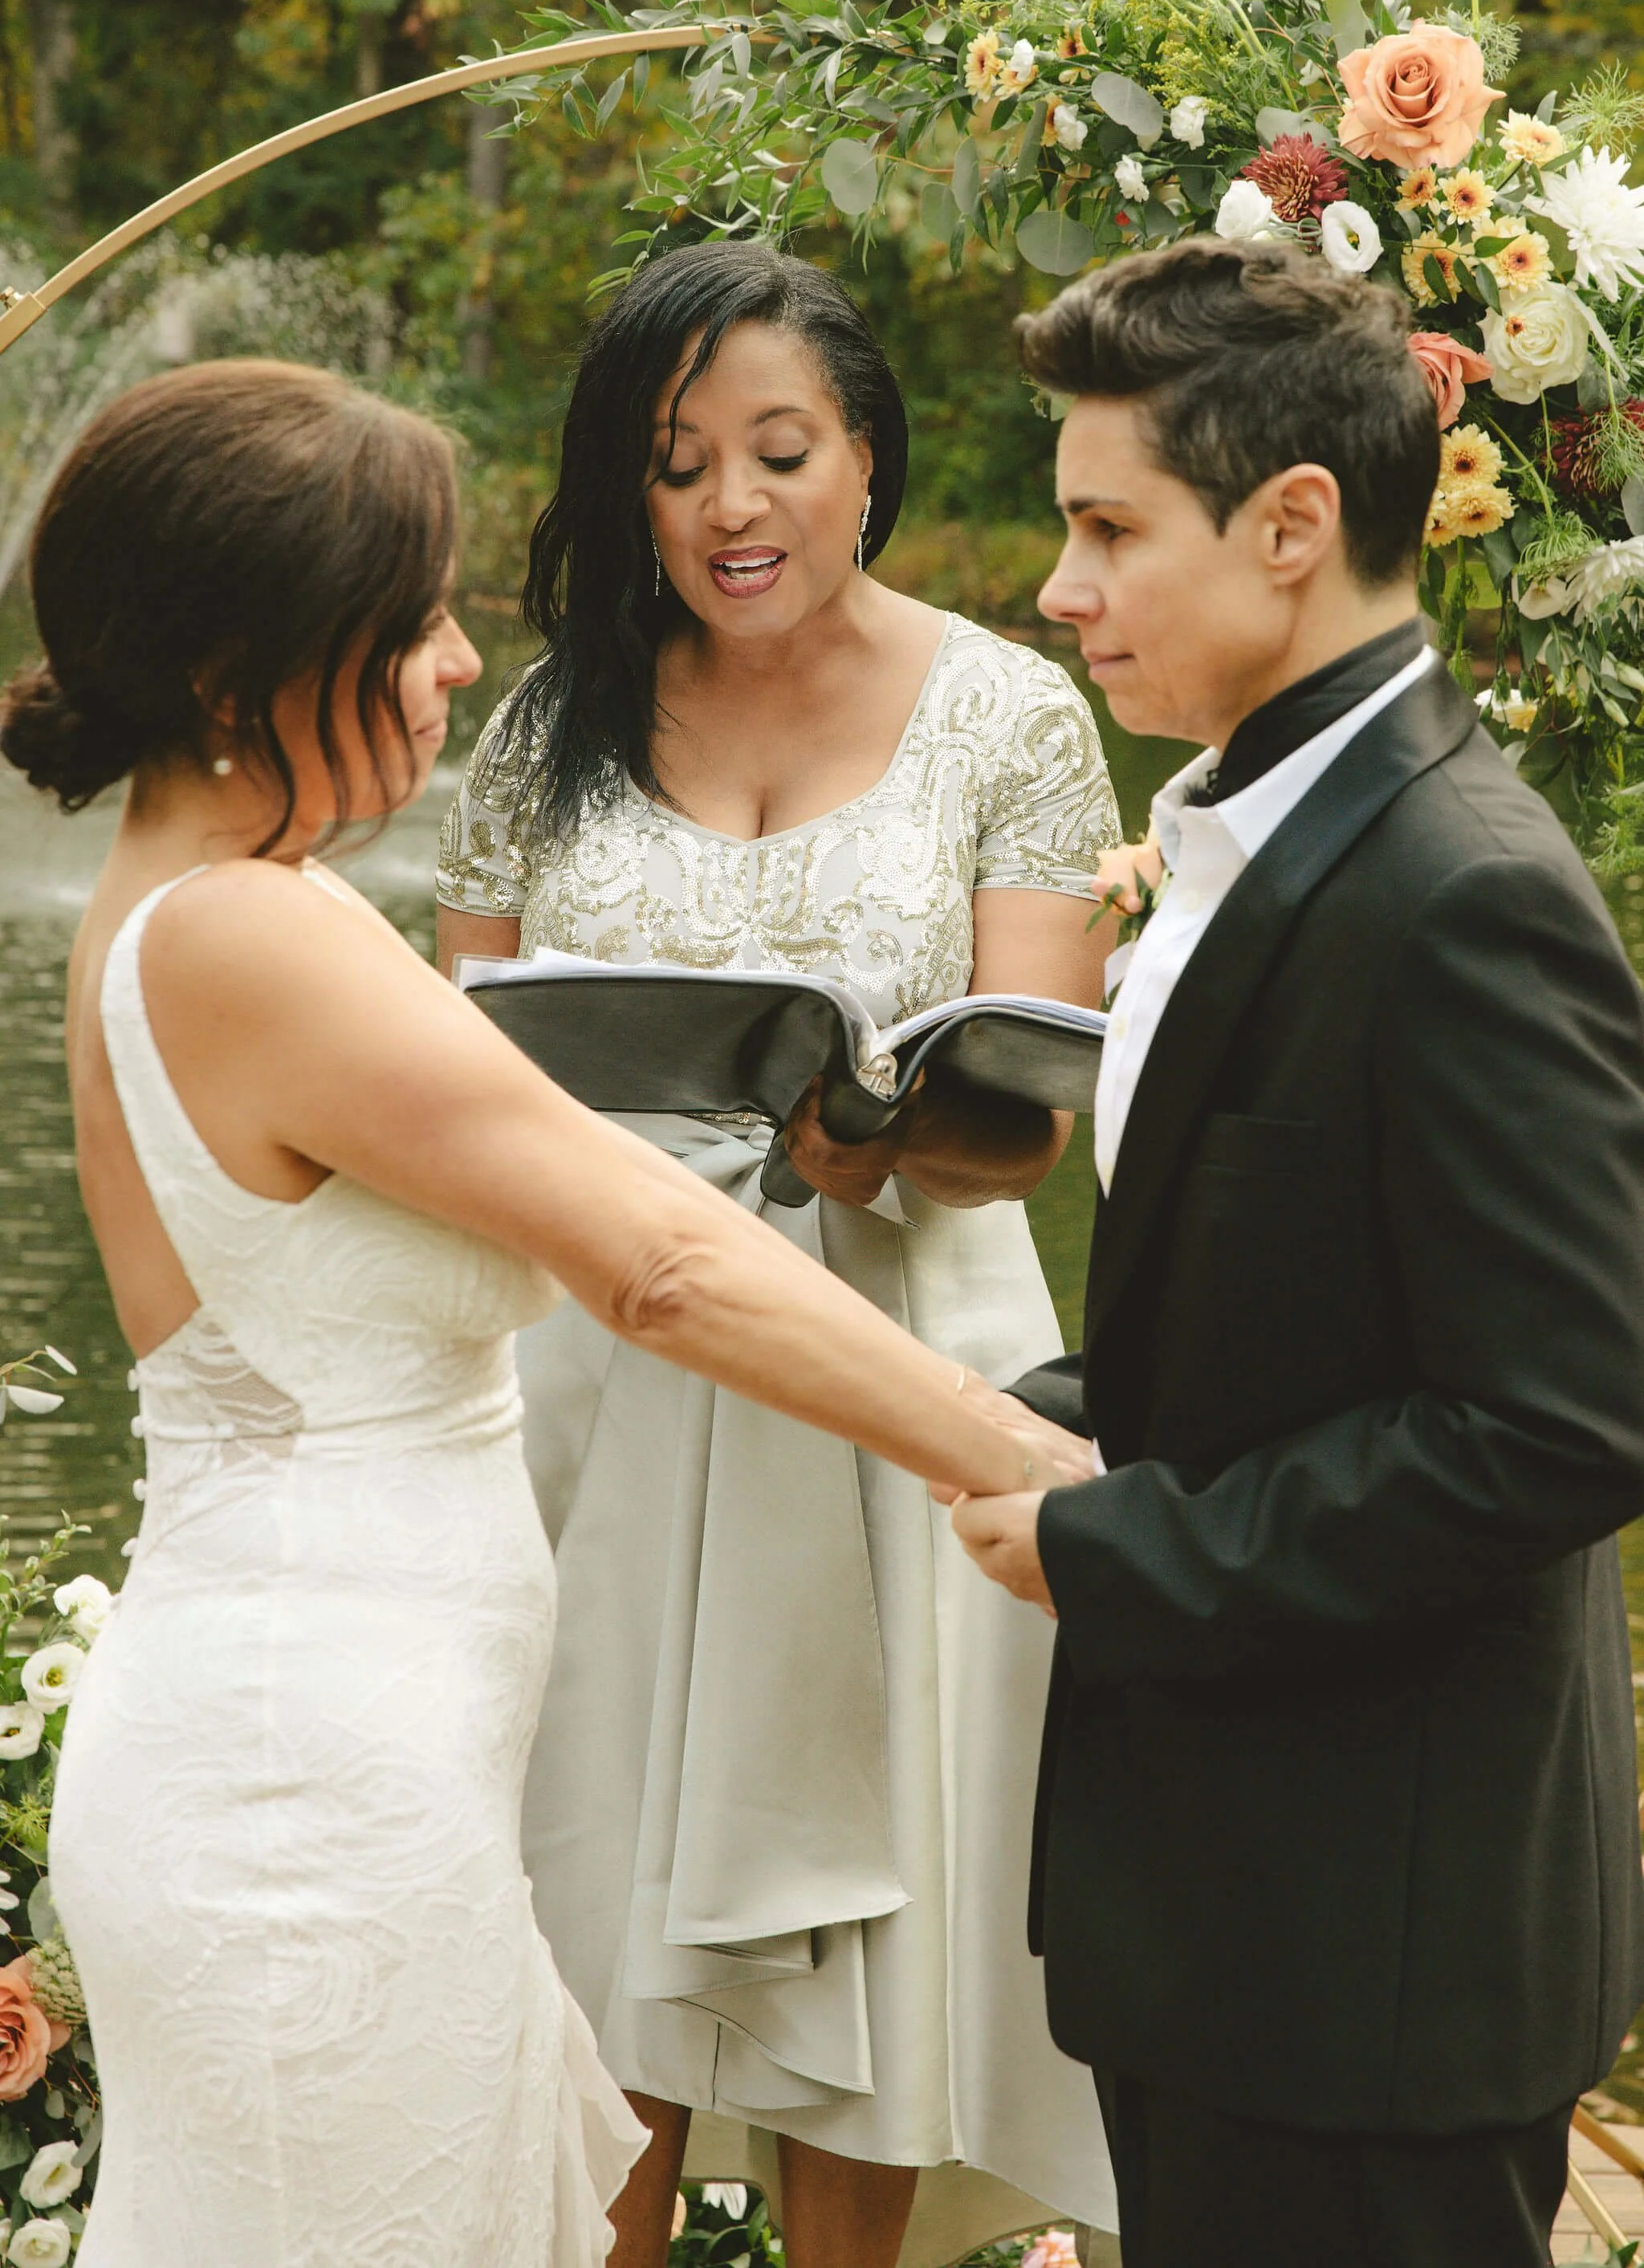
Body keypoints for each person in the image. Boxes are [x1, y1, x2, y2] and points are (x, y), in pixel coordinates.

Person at [0, 358, 1089, 2268]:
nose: (448, 663)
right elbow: (656, 1255)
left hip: (339, 1753)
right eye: (408, 620)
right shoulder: (250, 932)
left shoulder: (195, 897)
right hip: (304, 1789)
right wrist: (1031, 1462)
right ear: (250, 665)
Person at [951, 233, 1644, 2268]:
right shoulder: (1250, 824)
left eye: (1104, 527)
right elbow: (1284, 1322)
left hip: (1377, 1959)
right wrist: (1028, 1415)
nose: (1058, 586)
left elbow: (1566, 1416)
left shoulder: (1463, 894)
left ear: (1292, 525)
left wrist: (1118, 1549)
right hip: (1229, 1929)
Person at [436, 242, 1121, 2268]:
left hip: (897, 1359)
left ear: (865, 458)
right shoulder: (545, 725)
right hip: (600, 1384)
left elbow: (1029, 1104)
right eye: (675, 464)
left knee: (889, 1913)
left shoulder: (1008, 709)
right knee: (586, 1901)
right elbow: (466, 1073)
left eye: (779, 451)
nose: (731, 506)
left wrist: (889, 1132)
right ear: (623, 489)